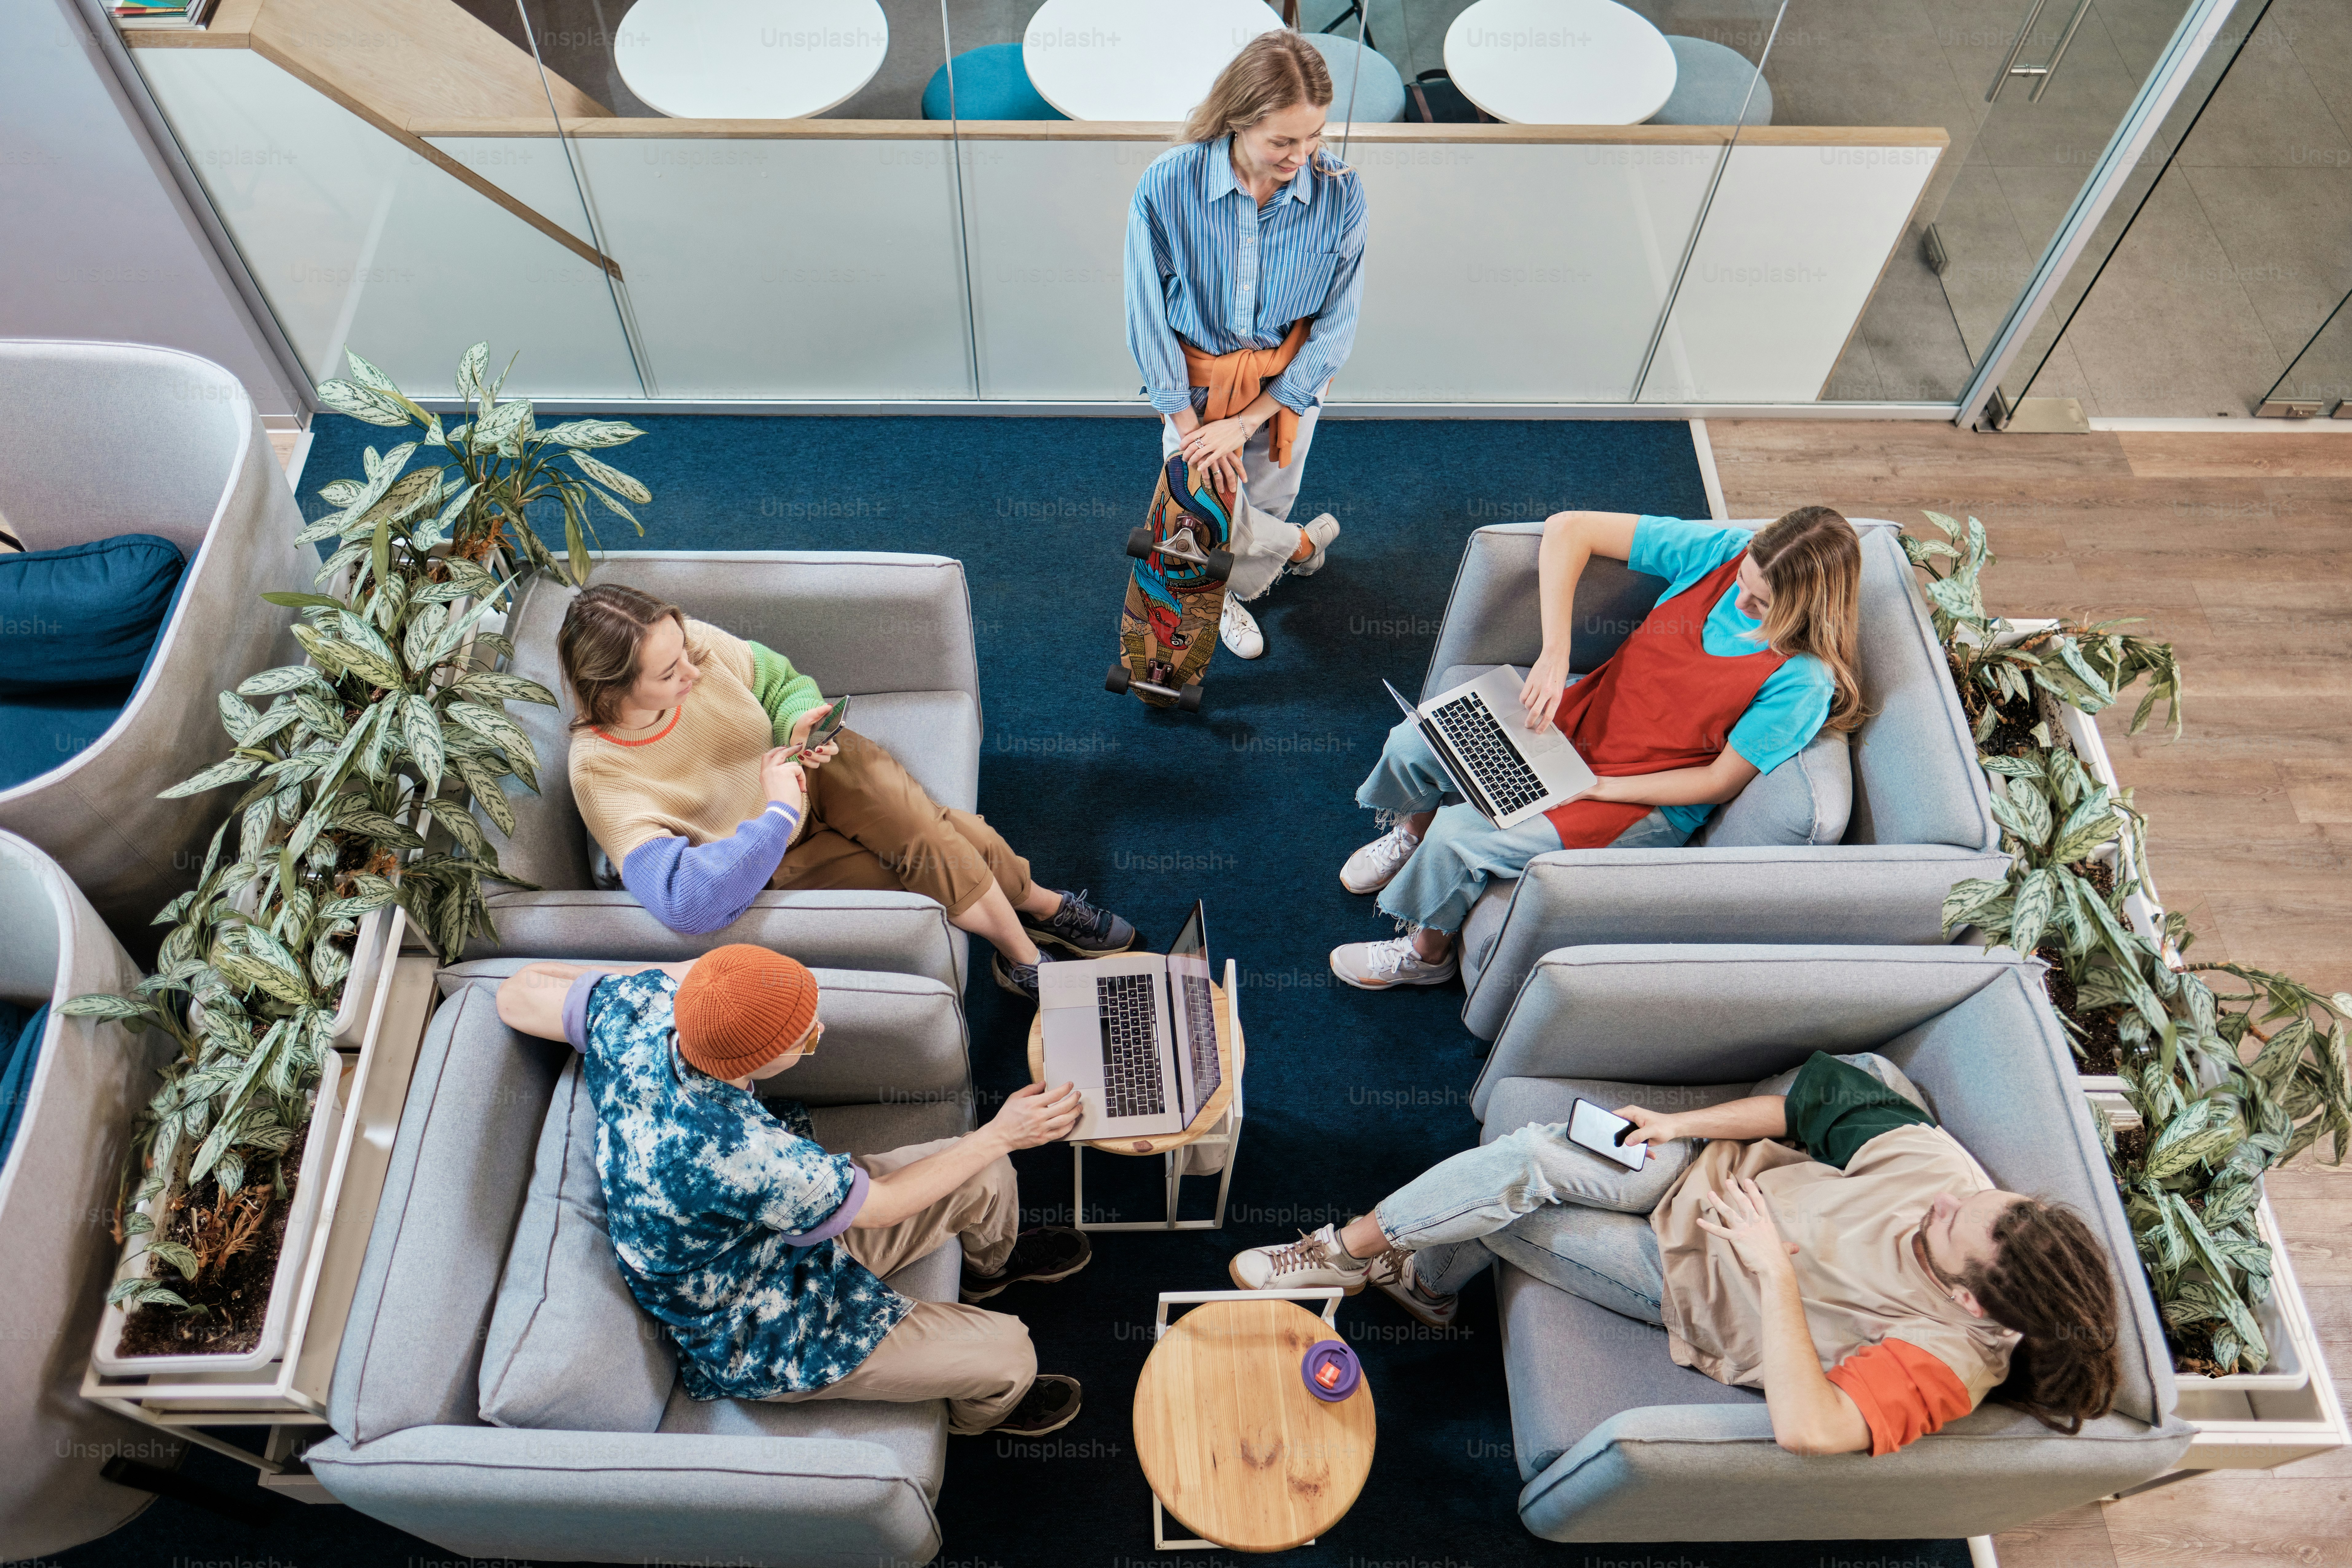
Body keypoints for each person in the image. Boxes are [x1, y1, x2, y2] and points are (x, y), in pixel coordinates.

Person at [1227, 1051, 2124, 1456]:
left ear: (1971, 1301)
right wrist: (1677, 1124)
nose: (1947, 1197)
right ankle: (1349, 1253)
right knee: (1528, 1158)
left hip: (1694, 1285)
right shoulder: (1941, 1173)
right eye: (1974, 1197)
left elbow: (1813, 1431)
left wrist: (1772, 1268)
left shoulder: (1951, 1361)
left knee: (1503, 1215)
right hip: (1702, 1176)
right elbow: (1805, 1104)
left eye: (1952, 1222)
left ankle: (1409, 1277)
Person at [496, 943, 1095, 1436]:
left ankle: (990, 1270)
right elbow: (884, 1207)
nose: (820, 1030)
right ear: (751, 1061)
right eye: (805, 1038)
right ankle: (980, 1416)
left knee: (984, 1174)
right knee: (1010, 1353)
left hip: (767, 1228)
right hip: (754, 1319)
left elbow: (516, 992)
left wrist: (693, 983)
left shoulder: (640, 1013)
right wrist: (999, 1134)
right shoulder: (742, 1152)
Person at [1329, 505, 1866, 991]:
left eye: (1761, 603)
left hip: (1641, 800)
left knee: (1458, 836)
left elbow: (1717, 781)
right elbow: (1570, 528)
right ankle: (1412, 834)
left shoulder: (1803, 681)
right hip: (1583, 721)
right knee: (1414, 740)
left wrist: (1599, 788)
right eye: (1743, 582)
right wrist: (1555, 651)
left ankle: (1426, 955)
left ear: (1805, 608)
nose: (1739, 600)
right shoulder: (1725, 552)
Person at [558, 583, 1139, 1001]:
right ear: (611, 691)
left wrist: (796, 726)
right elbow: (685, 902)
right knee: (955, 841)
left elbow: (781, 683)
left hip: (811, 767)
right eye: (669, 674)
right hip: (771, 850)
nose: (693, 670)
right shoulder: (600, 774)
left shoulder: (689, 646)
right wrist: (778, 813)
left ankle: (1027, 946)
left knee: (925, 835)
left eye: (684, 651)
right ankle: (1036, 924)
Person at [1124, 30, 1366, 662]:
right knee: (1198, 512)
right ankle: (1296, 550)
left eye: (1314, 136)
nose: (1301, 156)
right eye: (1282, 141)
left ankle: (1244, 574)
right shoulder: (1167, 185)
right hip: (1195, 383)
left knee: (1264, 500)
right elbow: (1146, 314)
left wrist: (1250, 421)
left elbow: (1336, 323)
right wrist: (1188, 428)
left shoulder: (1340, 191)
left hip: (1288, 387)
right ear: (1237, 120)